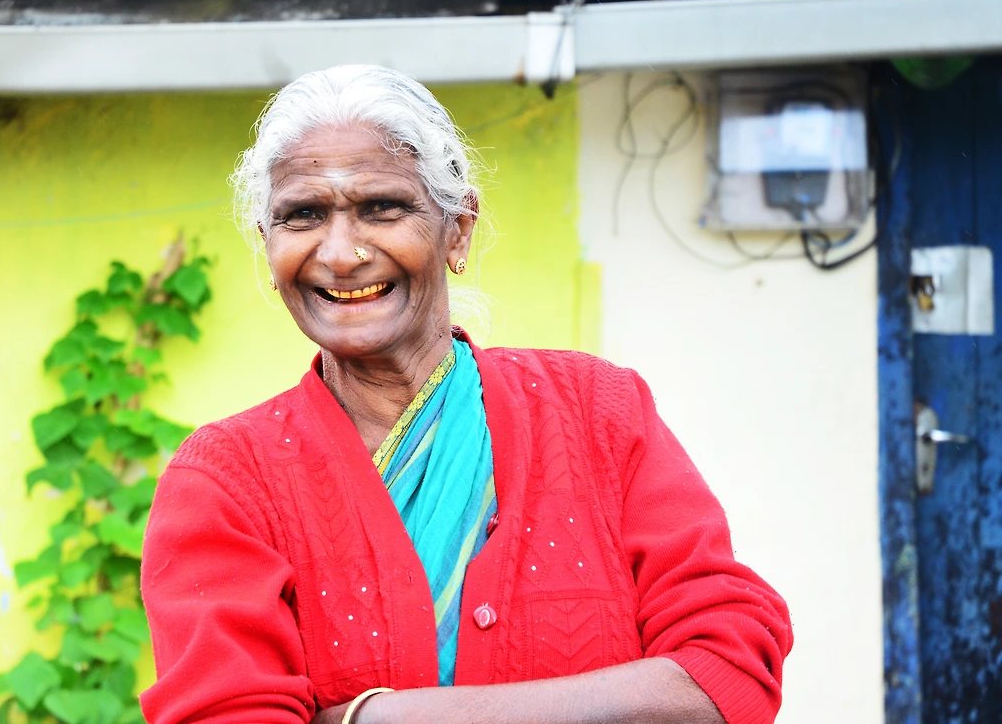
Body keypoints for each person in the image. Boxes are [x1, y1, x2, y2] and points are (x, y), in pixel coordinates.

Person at [138, 65, 792, 724]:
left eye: (381, 208)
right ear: (268, 243)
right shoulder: (226, 482)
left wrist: (368, 717)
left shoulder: (597, 412)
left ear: (457, 229)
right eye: (302, 215)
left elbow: (728, 673)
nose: (339, 253)